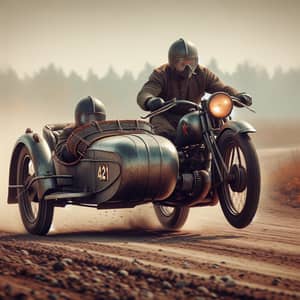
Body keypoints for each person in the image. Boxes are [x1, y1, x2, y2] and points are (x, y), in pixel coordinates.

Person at [137, 38, 252, 142]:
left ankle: (219, 148)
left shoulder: (202, 73)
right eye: (182, 63)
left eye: (191, 62)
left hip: (193, 115)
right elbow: (146, 92)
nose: (188, 67)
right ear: (173, 62)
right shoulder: (161, 74)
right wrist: (149, 100)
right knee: (164, 136)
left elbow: (222, 88)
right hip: (166, 117)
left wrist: (237, 96)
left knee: (216, 122)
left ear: (196, 61)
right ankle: (171, 161)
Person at [55, 96, 106, 162]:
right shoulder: (68, 132)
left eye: (98, 118)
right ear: (79, 117)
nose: (94, 123)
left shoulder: (104, 133)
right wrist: (79, 140)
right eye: (89, 119)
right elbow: (63, 156)